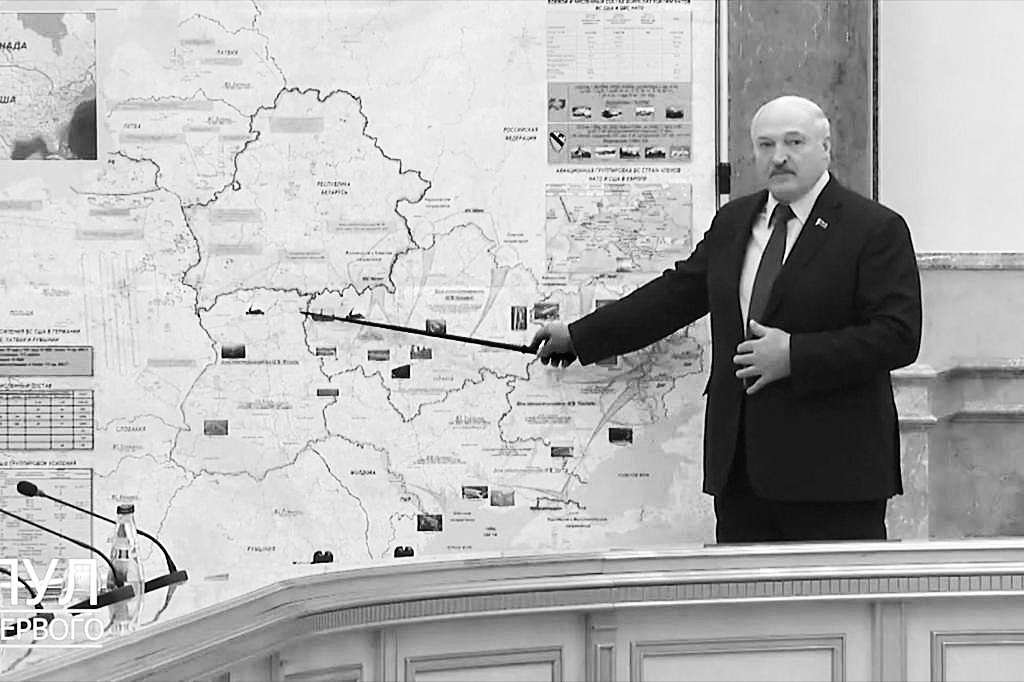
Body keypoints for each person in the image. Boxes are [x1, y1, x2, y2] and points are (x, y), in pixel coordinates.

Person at [531, 95, 922, 544]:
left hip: (835, 478)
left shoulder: (874, 228)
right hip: (741, 478)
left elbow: (898, 335)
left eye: (794, 142)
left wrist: (795, 355)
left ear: (826, 148)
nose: (779, 157)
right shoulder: (735, 221)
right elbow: (675, 295)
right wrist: (579, 336)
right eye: (766, 145)